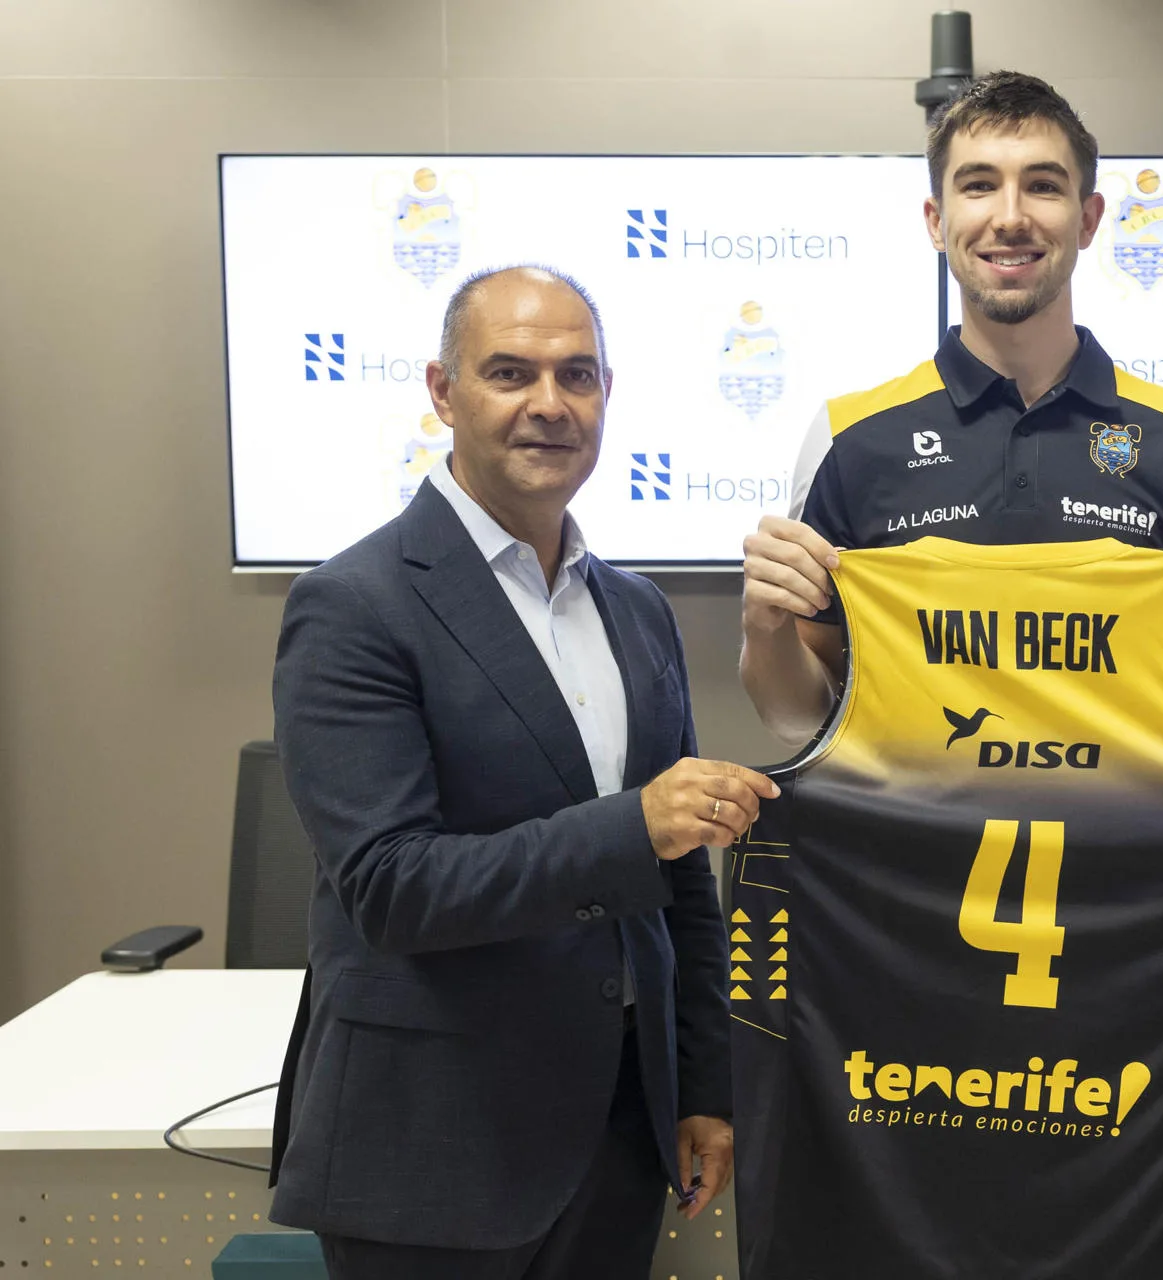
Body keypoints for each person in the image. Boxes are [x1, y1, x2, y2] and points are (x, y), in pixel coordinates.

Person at [268, 265, 777, 1279]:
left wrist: (702, 1085)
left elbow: (680, 889)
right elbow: (390, 886)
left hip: (620, 1134)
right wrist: (633, 824)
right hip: (432, 1148)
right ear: (442, 391)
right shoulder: (354, 604)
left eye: (576, 374)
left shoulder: (637, 611)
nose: (550, 403)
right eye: (510, 372)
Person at [739, 71, 1163, 747]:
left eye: (1043, 184)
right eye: (978, 185)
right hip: (907, 853)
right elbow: (800, 716)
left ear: (1089, 219)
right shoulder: (852, 438)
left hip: (1122, 851)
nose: (1010, 216)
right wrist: (762, 631)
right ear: (937, 221)